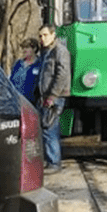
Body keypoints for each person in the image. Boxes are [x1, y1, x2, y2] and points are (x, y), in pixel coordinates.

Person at [36, 24, 71, 173]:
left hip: (54, 97)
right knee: (45, 129)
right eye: (40, 36)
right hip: (45, 96)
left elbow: (62, 75)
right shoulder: (46, 52)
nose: (42, 38)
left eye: (45, 35)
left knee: (50, 129)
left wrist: (52, 96)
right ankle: (50, 161)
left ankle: (54, 163)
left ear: (53, 34)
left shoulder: (60, 51)